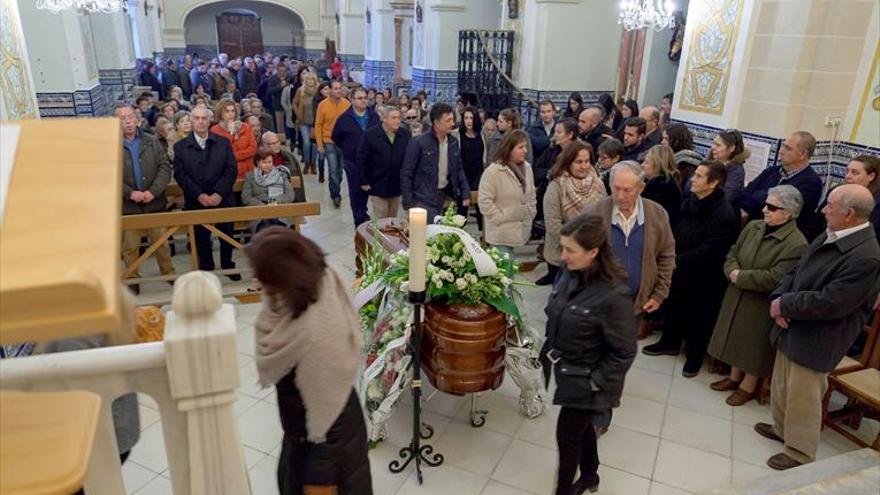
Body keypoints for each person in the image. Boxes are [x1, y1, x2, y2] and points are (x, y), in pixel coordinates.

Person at [755, 184, 880, 470]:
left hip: (820, 335)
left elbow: (834, 302)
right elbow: (797, 270)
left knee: (804, 394)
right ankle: (781, 428)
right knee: (784, 383)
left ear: (849, 214)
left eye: (830, 206)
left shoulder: (866, 255)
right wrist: (780, 300)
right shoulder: (832, 232)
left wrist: (786, 305)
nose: (823, 210)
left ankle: (799, 451)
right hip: (795, 321)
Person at [244, 227, 373, 494]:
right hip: (304, 435)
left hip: (325, 448)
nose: (255, 280)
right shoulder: (313, 285)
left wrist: (318, 477)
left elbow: (327, 412)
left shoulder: (314, 336)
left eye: (261, 273)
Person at [540, 214, 637, 495]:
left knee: (567, 436)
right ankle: (591, 476)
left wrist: (594, 382)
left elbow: (624, 352)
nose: (564, 255)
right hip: (570, 370)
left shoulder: (613, 296)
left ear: (593, 252)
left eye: (571, 250)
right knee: (581, 430)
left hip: (590, 380)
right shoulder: (570, 272)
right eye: (563, 248)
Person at [708, 185, 807, 406]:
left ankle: (748, 387)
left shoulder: (797, 244)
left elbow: (775, 277)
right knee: (735, 335)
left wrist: (739, 276)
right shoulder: (754, 226)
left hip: (761, 302)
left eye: (772, 207)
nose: (764, 210)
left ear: (788, 213)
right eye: (766, 204)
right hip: (737, 292)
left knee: (752, 344)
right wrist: (732, 271)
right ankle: (733, 378)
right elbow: (733, 252)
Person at [642, 160, 740, 377]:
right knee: (675, 304)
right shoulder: (692, 200)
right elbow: (676, 228)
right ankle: (669, 342)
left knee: (699, 316)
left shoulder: (723, 213)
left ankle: (694, 358)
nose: (693, 179)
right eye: (695, 174)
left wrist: (677, 260)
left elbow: (711, 249)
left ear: (714, 183)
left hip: (705, 275)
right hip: (680, 265)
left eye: (699, 176)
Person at [584, 161, 676, 327]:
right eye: (616, 188)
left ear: (641, 188)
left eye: (627, 190)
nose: (620, 196)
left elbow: (667, 257)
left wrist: (659, 295)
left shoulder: (657, 214)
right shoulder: (595, 213)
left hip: (637, 306)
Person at [173, 106, 239, 278]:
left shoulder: (223, 142)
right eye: (197, 118)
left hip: (222, 198)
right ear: (191, 121)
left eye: (204, 118)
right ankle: (207, 268)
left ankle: (227, 265)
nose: (200, 122)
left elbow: (231, 170)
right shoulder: (181, 147)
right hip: (196, 200)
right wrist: (199, 195)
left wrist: (218, 193)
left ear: (210, 120)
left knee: (226, 234)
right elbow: (181, 175)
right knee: (201, 237)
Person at [116, 103, 175, 295]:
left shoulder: (151, 141)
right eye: (122, 118)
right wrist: (129, 193)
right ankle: (132, 278)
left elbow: (164, 167)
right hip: (129, 205)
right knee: (130, 247)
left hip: (153, 202)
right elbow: (109, 174)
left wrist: (153, 191)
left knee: (161, 244)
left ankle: (168, 273)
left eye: (130, 117)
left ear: (137, 118)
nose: (127, 122)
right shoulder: (112, 145)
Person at [539, 141, 607, 285]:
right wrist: (576, 248)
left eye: (587, 161)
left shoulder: (598, 184)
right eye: (578, 162)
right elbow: (553, 225)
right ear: (568, 162)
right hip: (562, 256)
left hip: (591, 255)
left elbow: (604, 217)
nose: (584, 166)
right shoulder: (556, 186)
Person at [734, 131, 822, 237]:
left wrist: (760, 196)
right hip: (753, 231)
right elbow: (743, 197)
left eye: (788, 148)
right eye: (783, 146)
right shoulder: (771, 171)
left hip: (779, 238)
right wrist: (761, 198)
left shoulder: (812, 183)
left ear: (803, 154)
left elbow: (781, 212)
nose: (781, 151)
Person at [400, 102, 471, 222]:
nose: (453, 124)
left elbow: (458, 169)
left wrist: (465, 192)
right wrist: (408, 203)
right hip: (422, 197)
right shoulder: (419, 143)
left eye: (453, 119)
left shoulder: (453, 142)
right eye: (448, 120)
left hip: (444, 195)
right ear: (437, 123)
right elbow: (406, 173)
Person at [478, 129, 537, 256]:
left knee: (512, 271)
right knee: (506, 273)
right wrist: (499, 217)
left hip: (520, 229)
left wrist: (531, 211)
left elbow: (531, 194)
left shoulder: (527, 168)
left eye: (525, 146)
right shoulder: (493, 171)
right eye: (521, 147)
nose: (525, 150)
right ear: (509, 149)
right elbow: (484, 201)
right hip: (501, 232)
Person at [332, 87, 380, 226]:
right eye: (360, 98)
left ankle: (364, 212)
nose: (363, 101)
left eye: (365, 98)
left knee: (368, 188)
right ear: (351, 100)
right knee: (355, 190)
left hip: (371, 161)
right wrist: (350, 148)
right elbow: (336, 137)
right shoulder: (344, 118)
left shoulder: (374, 117)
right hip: (352, 161)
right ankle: (359, 218)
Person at [356, 105, 411, 219]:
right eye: (394, 118)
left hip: (396, 186)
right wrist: (363, 180)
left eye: (398, 118)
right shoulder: (370, 135)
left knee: (392, 219)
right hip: (378, 185)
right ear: (384, 119)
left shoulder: (405, 134)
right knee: (381, 220)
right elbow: (362, 158)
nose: (397, 121)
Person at [242, 149, 297, 232]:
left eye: (269, 162)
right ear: (257, 162)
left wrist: (274, 201)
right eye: (264, 162)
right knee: (265, 225)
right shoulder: (250, 176)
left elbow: (290, 195)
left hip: (278, 208)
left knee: (276, 224)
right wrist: (262, 205)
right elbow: (246, 197)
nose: (267, 165)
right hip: (258, 210)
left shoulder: (281, 174)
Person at [315, 80, 351, 207]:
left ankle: (336, 188)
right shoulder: (323, 105)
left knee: (340, 171)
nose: (338, 91)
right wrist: (320, 145)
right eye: (335, 88)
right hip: (328, 141)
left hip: (343, 143)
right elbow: (318, 125)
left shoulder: (347, 104)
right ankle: (335, 195)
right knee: (333, 170)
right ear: (329, 90)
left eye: (340, 88)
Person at [210, 99, 258, 179]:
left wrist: (232, 156)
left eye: (233, 111)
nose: (231, 114)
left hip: (248, 171)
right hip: (226, 173)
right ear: (221, 114)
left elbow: (252, 149)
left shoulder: (246, 127)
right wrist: (231, 134)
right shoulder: (214, 131)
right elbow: (219, 154)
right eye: (227, 111)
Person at [458, 106, 487, 226]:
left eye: (471, 118)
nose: (468, 121)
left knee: (481, 207)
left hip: (478, 174)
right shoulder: (458, 135)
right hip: (463, 174)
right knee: (462, 208)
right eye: (466, 118)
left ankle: (483, 236)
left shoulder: (482, 135)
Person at [641, 144, 682, 222]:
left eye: (646, 162)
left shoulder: (656, 187)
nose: (642, 165)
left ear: (657, 164)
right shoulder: (670, 182)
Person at [706, 128, 748, 205]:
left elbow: (726, 197)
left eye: (718, 145)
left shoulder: (736, 172)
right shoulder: (709, 162)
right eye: (713, 143)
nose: (713, 147)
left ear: (731, 148)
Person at [262, 131, 306, 203]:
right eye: (272, 144)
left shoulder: (289, 157)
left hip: (289, 197)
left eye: (277, 142)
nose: (276, 145)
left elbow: (299, 179)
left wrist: (301, 201)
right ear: (265, 145)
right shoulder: (259, 158)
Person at [294, 72, 319, 175]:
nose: (309, 81)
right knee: (306, 143)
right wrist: (297, 115)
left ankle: (313, 164)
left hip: (315, 122)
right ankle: (307, 162)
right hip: (303, 121)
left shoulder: (318, 91)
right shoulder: (300, 90)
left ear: (315, 81)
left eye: (312, 79)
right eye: (307, 79)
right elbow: (294, 103)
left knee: (314, 145)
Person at [268, 63, 292, 142]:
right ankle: (281, 142)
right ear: (277, 70)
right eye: (280, 70)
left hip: (289, 104)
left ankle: (290, 139)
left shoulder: (289, 78)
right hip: (278, 105)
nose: (282, 72)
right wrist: (280, 86)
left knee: (290, 123)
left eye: (284, 70)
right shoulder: (273, 79)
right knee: (280, 125)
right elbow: (270, 91)